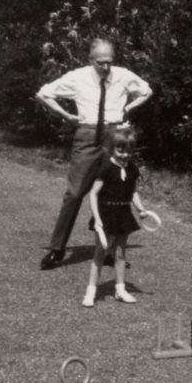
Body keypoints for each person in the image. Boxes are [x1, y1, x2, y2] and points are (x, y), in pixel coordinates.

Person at [35, 38, 152, 269]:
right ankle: (57, 249)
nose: (105, 67)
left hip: (114, 135)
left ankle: (109, 250)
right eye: (100, 62)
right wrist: (66, 115)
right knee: (75, 193)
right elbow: (43, 94)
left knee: (115, 192)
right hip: (87, 136)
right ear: (91, 60)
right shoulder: (77, 77)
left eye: (109, 62)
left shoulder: (123, 75)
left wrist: (129, 107)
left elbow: (147, 91)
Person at [82, 126, 150, 307]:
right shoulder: (105, 167)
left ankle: (120, 290)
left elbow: (133, 192)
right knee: (100, 253)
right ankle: (91, 292)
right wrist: (97, 219)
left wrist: (141, 209)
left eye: (129, 151)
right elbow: (93, 194)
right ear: (112, 148)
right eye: (121, 150)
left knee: (120, 254)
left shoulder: (132, 169)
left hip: (123, 214)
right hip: (105, 215)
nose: (125, 154)